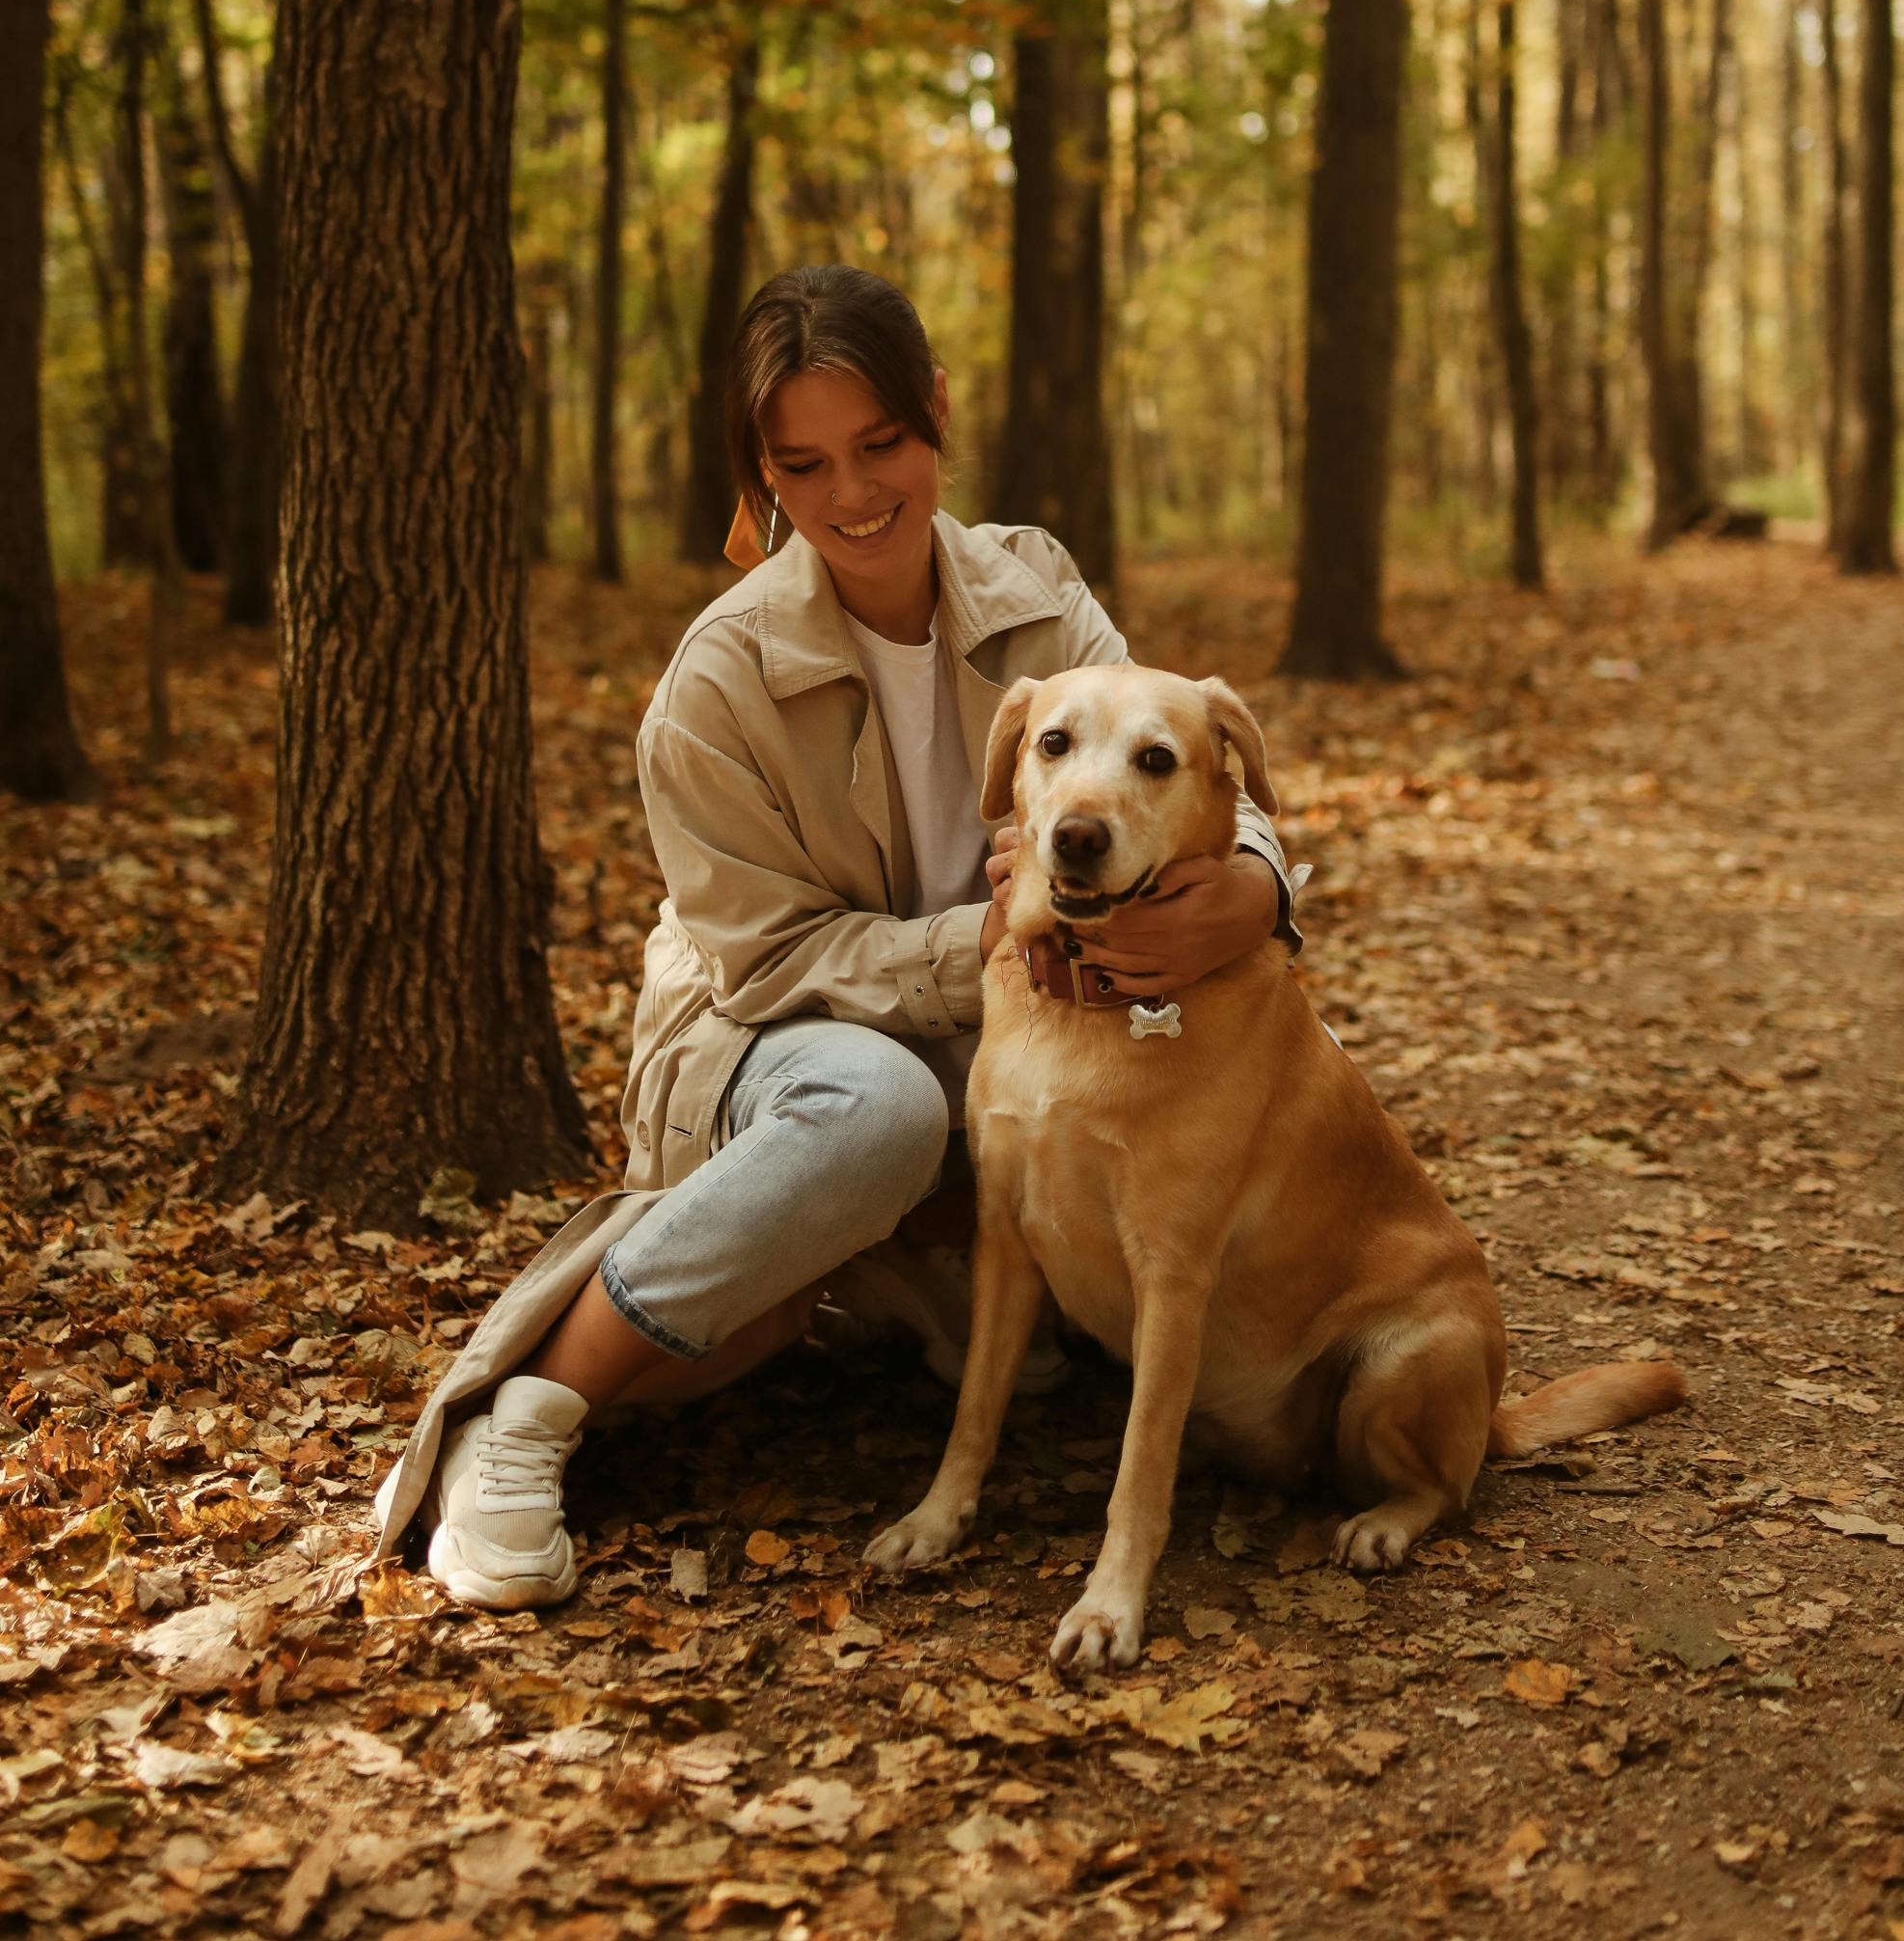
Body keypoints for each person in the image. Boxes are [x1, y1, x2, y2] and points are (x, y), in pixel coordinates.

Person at [378, 265, 1297, 1610]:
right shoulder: (716, 685)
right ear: (765, 471)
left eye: (881, 445)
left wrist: (1260, 886)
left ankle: (936, 1290)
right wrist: (982, 942)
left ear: (935, 412)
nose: (856, 495)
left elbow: (1168, 764)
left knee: (1212, 1065)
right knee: (877, 1114)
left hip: (1011, 1022)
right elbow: (761, 963)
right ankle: (522, 1419)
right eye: (805, 465)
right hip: (770, 1043)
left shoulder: (1037, 591)